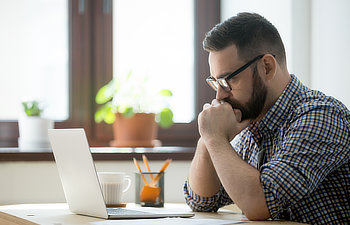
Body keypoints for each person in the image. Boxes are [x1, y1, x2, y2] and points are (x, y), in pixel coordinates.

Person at [184, 12, 350, 224]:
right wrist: (207, 138)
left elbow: (260, 203)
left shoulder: (321, 115)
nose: (220, 95)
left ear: (267, 67)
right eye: (216, 82)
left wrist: (216, 139)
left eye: (229, 80)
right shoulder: (252, 126)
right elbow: (202, 201)